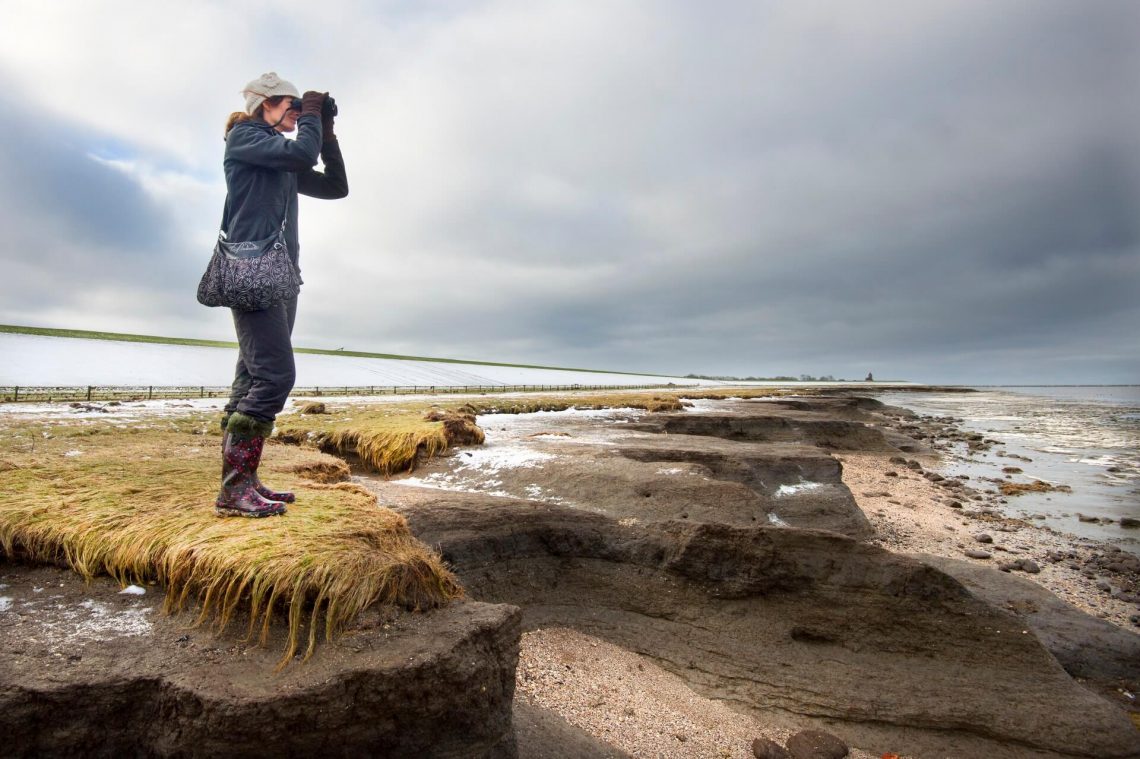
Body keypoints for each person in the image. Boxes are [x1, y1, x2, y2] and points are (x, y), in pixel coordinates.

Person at [214, 72, 348, 517]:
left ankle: (243, 482)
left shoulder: (279, 158)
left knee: (253, 378)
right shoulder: (246, 139)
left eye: (298, 108)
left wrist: (325, 132)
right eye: (290, 106)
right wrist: (311, 116)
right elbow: (299, 152)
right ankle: (234, 491)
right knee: (274, 377)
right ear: (264, 104)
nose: (296, 114)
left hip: (280, 273)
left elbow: (335, 186)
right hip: (252, 269)